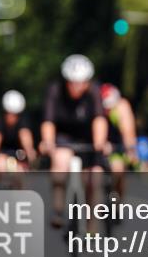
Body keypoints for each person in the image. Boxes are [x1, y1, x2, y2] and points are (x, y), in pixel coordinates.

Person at [40, 54, 108, 229]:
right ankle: (58, 209)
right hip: (64, 136)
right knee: (60, 165)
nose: (77, 87)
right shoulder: (55, 90)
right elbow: (48, 121)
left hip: (88, 137)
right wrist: (48, 142)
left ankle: (92, 224)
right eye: (73, 82)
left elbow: (99, 119)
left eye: (82, 82)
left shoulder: (94, 91)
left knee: (95, 177)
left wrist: (100, 143)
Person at [0, 90, 36, 185]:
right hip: (3, 154)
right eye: (8, 113)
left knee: (20, 174)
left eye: (15, 114)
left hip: (20, 155)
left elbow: (26, 138)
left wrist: (30, 152)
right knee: (0, 165)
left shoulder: (23, 123)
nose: (11, 117)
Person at [100, 83, 138, 199]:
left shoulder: (122, 107)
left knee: (118, 169)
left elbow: (128, 131)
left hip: (116, 146)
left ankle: (117, 206)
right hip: (96, 146)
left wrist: (131, 150)